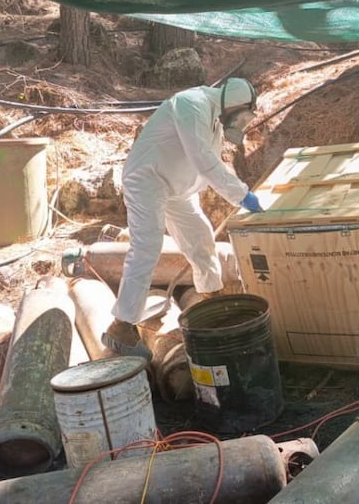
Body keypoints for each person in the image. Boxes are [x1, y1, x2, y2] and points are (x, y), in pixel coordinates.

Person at [103, 78, 264, 357]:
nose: (238, 121)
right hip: (148, 179)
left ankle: (211, 297)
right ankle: (121, 326)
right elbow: (203, 158)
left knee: (201, 235)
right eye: (240, 115)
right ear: (234, 104)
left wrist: (239, 191)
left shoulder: (214, 118)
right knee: (147, 246)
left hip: (178, 189)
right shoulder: (192, 104)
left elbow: (212, 161)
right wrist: (242, 195)